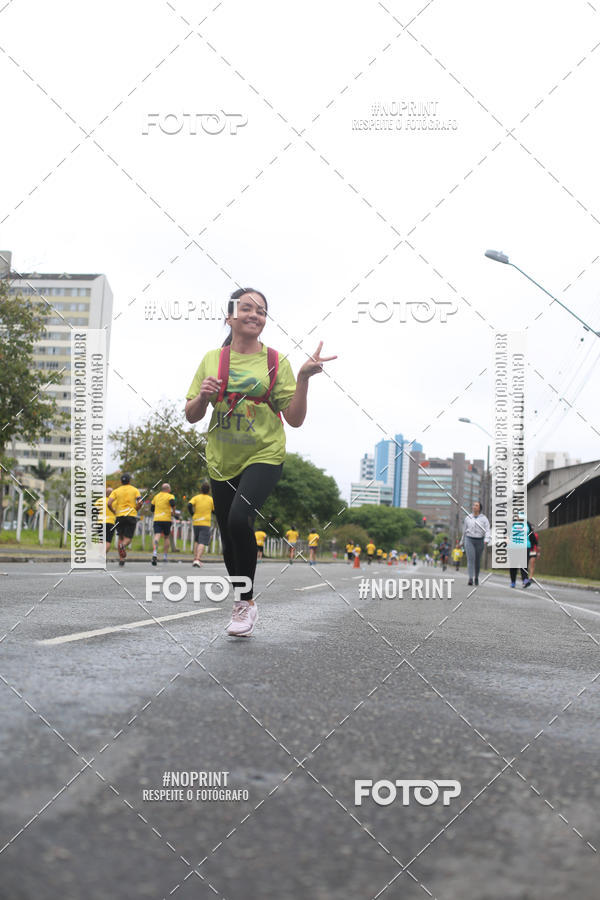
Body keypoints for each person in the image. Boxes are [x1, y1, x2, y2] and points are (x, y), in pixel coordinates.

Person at [185, 287, 336, 637]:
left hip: (265, 454)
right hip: (222, 458)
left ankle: (245, 602)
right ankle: (244, 602)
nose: (255, 315)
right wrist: (204, 397)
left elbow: (295, 419)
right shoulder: (212, 359)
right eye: (248, 309)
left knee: (240, 518)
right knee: (227, 535)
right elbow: (192, 415)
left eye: (262, 311)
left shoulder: (276, 362)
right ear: (230, 317)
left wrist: (302, 379)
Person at [108, 473, 142, 566]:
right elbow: (140, 502)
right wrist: (137, 508)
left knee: (120, 537)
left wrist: (114, 511)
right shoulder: (135, 490)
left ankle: (121, 559)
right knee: (128, 539)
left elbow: (109, 503)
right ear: (129, 481)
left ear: (121, 481)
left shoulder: (116, 491)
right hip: (131, 515)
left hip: (119, 516)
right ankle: (123, 546)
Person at [461, 500, 491, 586]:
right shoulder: (468, 517)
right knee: (471, 559)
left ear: (479, 508)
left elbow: (488, 530)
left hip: (480, 540)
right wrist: (462, 541)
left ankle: (476, 577)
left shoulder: (484, 518)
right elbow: (464, 530)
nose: (474, 507)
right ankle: (470, 578)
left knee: (477, 561)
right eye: (473, 505)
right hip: (469, 539)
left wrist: (486, 539)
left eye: (476, 505)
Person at [188, 481, 214, 567]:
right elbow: (215, 511)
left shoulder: (196, 497)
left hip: (196, 522)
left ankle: (195, 559)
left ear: (201, 490)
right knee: (202, 541)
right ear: (209, 491)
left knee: (196, 540)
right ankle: (198, 559)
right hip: (205, 523)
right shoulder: (210, 499)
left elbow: (189, 505)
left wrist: (192, 514)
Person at [150, 483, 175, 565]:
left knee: (157, 535)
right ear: (168, 489)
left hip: (157, 518)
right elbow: (172, 503)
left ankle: (154, 552)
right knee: (166, 537)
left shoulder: (156, 496)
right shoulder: (170, 496)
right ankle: (165, 556)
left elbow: (152, 508)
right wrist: (173, 512)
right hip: (166, 519)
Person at [509, 519, 539, 588]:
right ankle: (513, 581)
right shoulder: (511, 524)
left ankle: (525, 580)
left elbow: (531, 534)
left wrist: (535, 543)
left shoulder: (527, 524)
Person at [96, 486, 116, 556]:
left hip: (100, 522)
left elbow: (95, 511)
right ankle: (103, 555)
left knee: (101, 540)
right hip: (111, 522)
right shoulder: (115, 502)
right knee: (108, 541)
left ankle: (100, 554)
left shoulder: (99, 500)